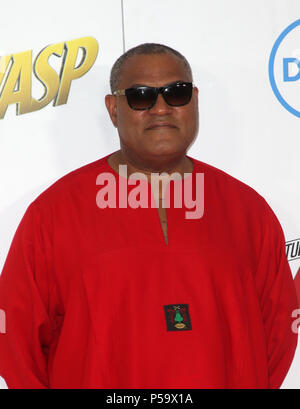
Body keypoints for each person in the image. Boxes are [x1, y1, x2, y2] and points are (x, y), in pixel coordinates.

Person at [0, 43, 298, 389]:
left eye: (177, 93)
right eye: (141, 96)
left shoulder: (248, 211)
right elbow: (16, 341)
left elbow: (276, 335)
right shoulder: (53, 214)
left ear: (195, 101)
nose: (161, 109)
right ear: (114, 109)